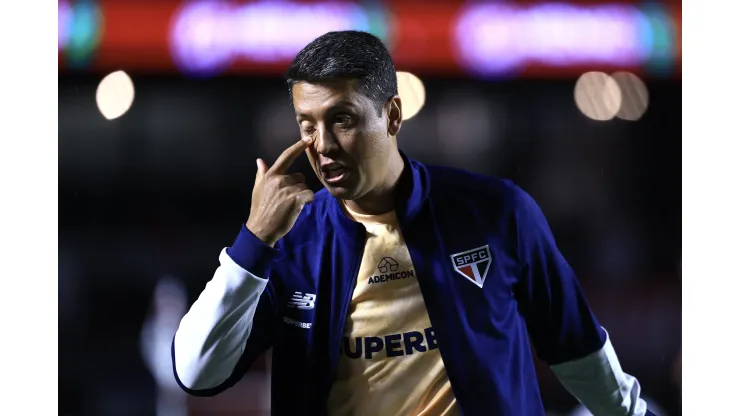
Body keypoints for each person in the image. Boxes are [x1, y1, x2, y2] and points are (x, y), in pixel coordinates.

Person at [172, 30, 655, 416]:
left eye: (342, 119)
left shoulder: (497, 212)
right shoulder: (288, 241)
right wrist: (253, 243)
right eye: (307, 125)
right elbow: (197, 373)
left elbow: (577, 348)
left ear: (393, 116)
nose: (322, 145)